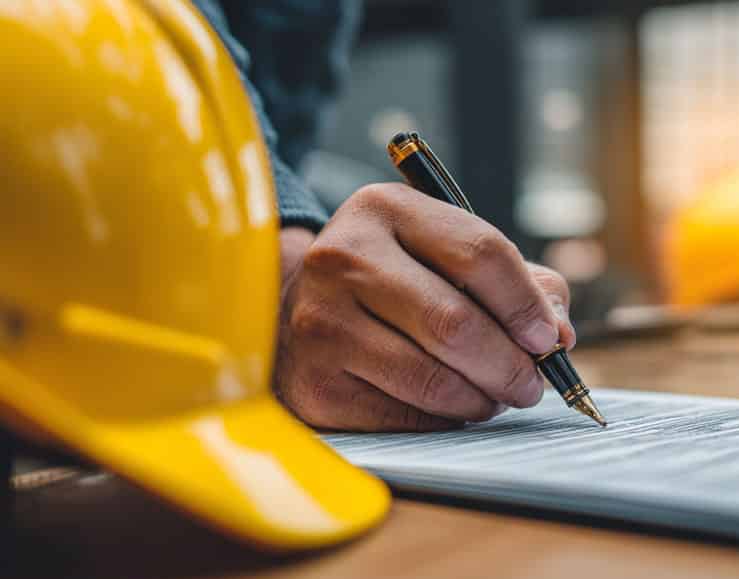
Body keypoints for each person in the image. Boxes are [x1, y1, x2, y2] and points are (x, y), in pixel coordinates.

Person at [195, 1, 576, 432]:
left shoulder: (339, 192)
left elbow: (295, 161)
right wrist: (284, 270)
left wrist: (409, 270)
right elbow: (163, 45)